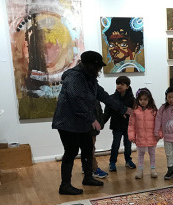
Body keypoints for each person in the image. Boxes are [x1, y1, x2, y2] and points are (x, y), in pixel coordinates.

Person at [52, 50, 132, 195]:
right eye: (98, 68)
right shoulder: (74, 78)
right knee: (71, 152)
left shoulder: (89, 78)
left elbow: (104, 96)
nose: (99, 71)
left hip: (82, 122)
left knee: (88, 148)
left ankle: (88, 177)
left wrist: (123, 109)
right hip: (67, 122)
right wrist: (92, 119)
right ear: (90, 66)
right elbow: (76, 102)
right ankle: (65, 185)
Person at [104, 76, 136, 172]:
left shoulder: (132, 99)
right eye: (118, 83)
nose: (119, 86)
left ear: (127, 86)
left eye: (122, 84)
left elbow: (134, 113)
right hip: (116, 126)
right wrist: (101, 123)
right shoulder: (111, 98)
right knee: (115, 145)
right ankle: (112, 162)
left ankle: (128, 160)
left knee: (128, 145)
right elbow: (107, 113)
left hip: (128, 127)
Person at [128, 88, 161, 179]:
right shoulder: (135, 111)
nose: (143, 101)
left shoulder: (153, 111)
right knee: (140, 154)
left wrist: (159, 133)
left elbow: (159, 123)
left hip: (151, 137)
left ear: (149, 99)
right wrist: (132, 136)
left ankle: (153, 169)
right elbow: (131, 125)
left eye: (145, 99)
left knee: (152, 153)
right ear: (138, 100)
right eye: (141, 99)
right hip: (140, 137)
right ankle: (140, 169)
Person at [90, 101, 109, 179]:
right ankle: (94, 169)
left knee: (91, 148)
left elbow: (99, 112)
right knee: (90, 149)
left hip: (93, 129)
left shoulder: (95, 98)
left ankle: (87, 167)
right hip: (86, 128)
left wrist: (101, 124)